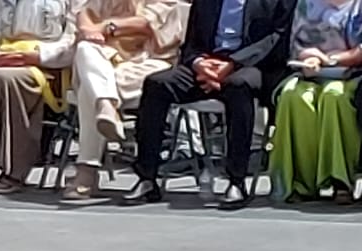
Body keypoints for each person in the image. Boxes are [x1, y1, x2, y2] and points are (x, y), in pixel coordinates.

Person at [125, 0, 298, 209]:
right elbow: (191, 42)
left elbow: (276, 39)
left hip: (251, 66)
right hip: (207, 66)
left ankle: (236, 181)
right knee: (156, 85)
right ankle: (146, 178)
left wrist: (233, 63)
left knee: (238, 86)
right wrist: (198, 63)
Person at [60, 0, 185, 201]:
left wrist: (105, 27)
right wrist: (85, 27)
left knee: (90, 86)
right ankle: (106, 105)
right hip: (106, 63)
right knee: (85, 49)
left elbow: (146, 23)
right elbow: (84, 13)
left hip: (149, 64)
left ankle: (87, 170)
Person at [0, 0, 77, 193]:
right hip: (5, 57)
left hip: (45, 64)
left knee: (5, 81)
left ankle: (13, 171)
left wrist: (38, 55)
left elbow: (73, 38)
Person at [268, 0, 362, 202]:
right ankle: (301, 183)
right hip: (310, 73)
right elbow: (296, 44)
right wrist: (307, 57)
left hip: (351, 74)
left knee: (333, 96)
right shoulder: (305, 4)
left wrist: (330, 60)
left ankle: (341, 181)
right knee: (293, 96)